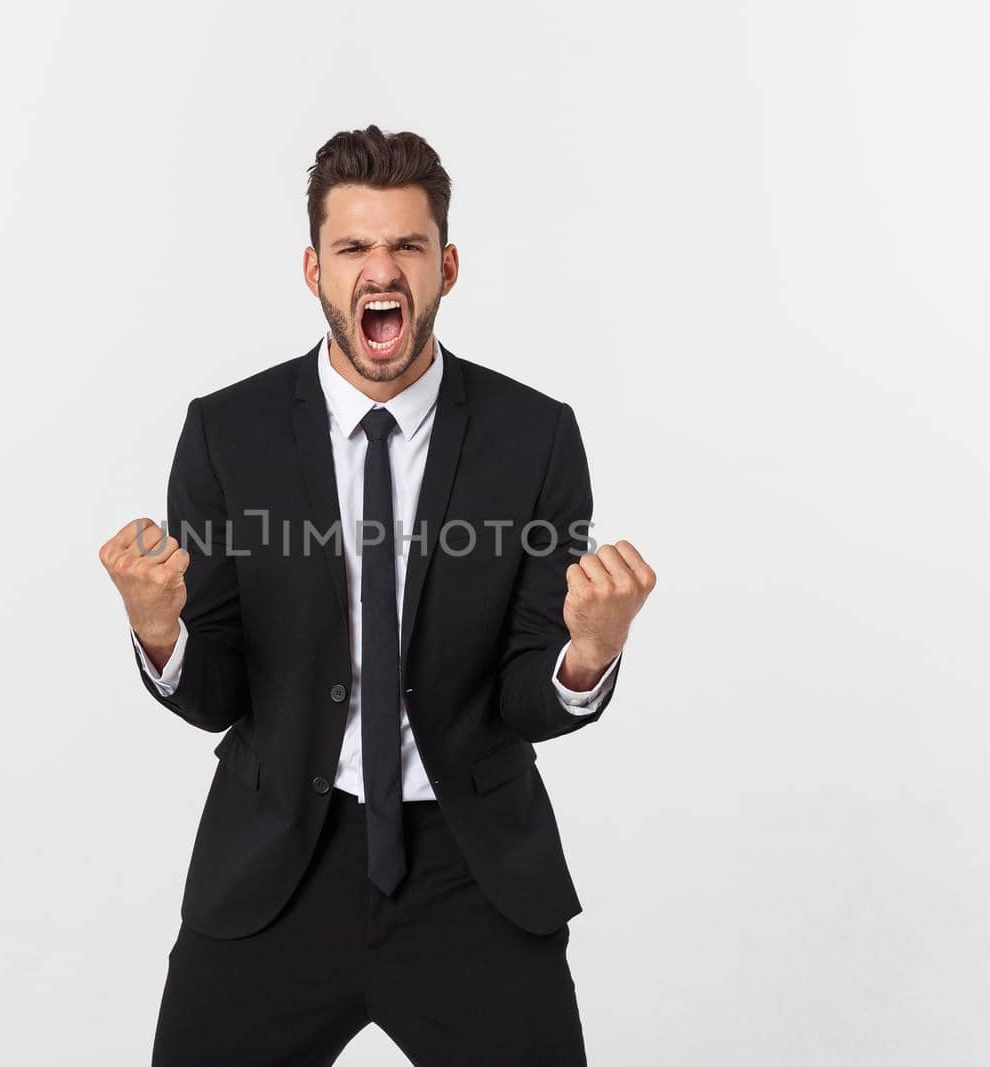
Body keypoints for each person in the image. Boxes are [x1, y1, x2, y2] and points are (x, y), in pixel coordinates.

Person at [100, 124, 656, 1066]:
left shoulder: (537, 438)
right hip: (279, 865)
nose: (380, 269)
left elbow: (527, 694)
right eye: (355, 247)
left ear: (445, 265)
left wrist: (586, 655)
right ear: (314, 268)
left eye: (404, 245)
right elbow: (220, 695)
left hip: (470, 872)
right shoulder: (226, 435)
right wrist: (163, 633)